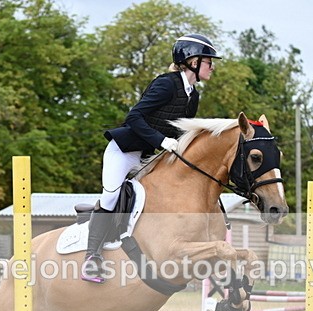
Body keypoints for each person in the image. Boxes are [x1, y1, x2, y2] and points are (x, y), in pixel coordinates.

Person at [81, 33, 221, 283]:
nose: (213, 66)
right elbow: (133, 117)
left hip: (150, 156)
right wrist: (161, 141)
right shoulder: (166, 84)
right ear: (193, 61)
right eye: (209, 61)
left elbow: (181, 129)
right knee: (111, 195)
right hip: (124, 151)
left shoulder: (193, 95)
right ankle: (92, 257)